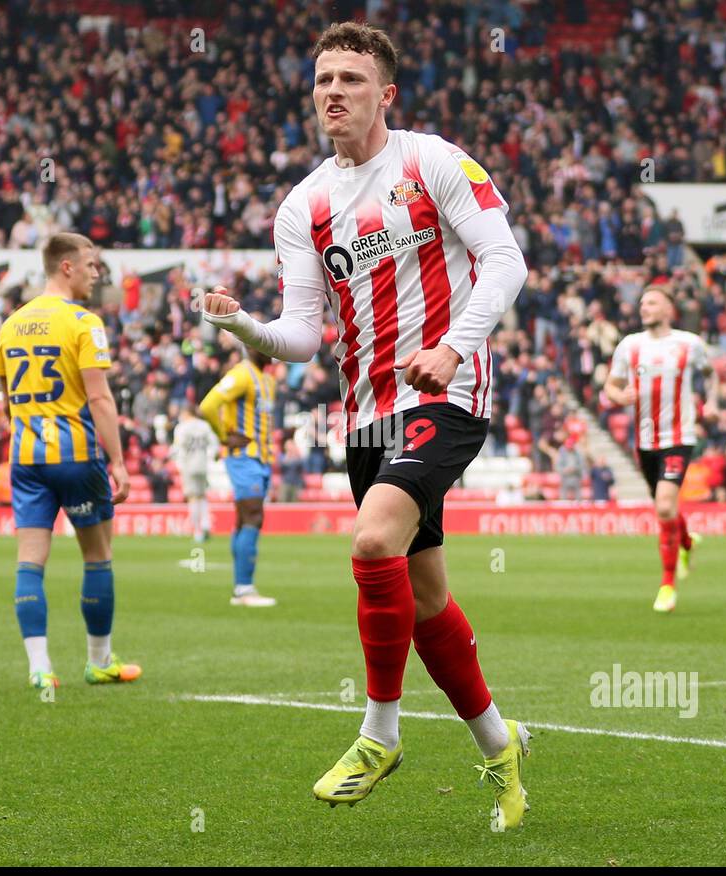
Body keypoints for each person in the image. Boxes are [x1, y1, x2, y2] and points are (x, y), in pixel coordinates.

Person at [201, 23, 532, 830]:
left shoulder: (432, 161)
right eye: (323, 79)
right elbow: (305, 334)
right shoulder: (303, 205)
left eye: (351, 78)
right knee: (425, 599)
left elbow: (506, 260)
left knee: (373, 541)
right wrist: (245, 325)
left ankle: (378, 734)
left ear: (385, 94)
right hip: (366, 414)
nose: (333, 92)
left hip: (445, 396)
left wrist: (454, 349)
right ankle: (499, 746)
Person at [0, 232, 140, 690]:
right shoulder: (83, 322)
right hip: (76, 456)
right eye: (92, 265)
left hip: (26, 459)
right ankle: (99, 661)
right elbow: (98, 397)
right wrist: (117, 461)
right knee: (98, 556)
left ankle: (39, 667)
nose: (98, 274)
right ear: (67, 267)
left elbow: (7, 405)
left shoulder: (11, 323)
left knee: (29, 563)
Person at [604, 285, 715, 612]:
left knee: (664, 506)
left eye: (651, 302)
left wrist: (714, 403)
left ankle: (667, 584)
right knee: (665, 506)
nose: (644, 307)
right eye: (642, 303)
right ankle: (686, 540)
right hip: (645, 441)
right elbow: (611, 385)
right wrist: (617, 396)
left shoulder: (689, 344)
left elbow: (711, 376)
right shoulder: (630, 345)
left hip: (679, 437)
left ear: (669, 308)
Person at [199, 346, 278, 606]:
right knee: (253, 516)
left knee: (245, 518)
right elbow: (208, 406)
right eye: (267, 345)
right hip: (244, 457)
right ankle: (244, 590)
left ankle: (241, 588)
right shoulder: (241, 374)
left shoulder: (268, 380)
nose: (273, 351)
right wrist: (224, 436)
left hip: (262, 459)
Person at [170, 404, 218, 543]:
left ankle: (198, 530)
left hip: (188, 465)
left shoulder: (182, 428)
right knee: (202, 495)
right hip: (202, 463)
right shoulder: (204, 426)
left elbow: (177, 448)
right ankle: (206, 525)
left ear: (186, 413)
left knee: (192, 497)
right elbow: (214, 443)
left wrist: (170, 457)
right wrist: (212, 455)